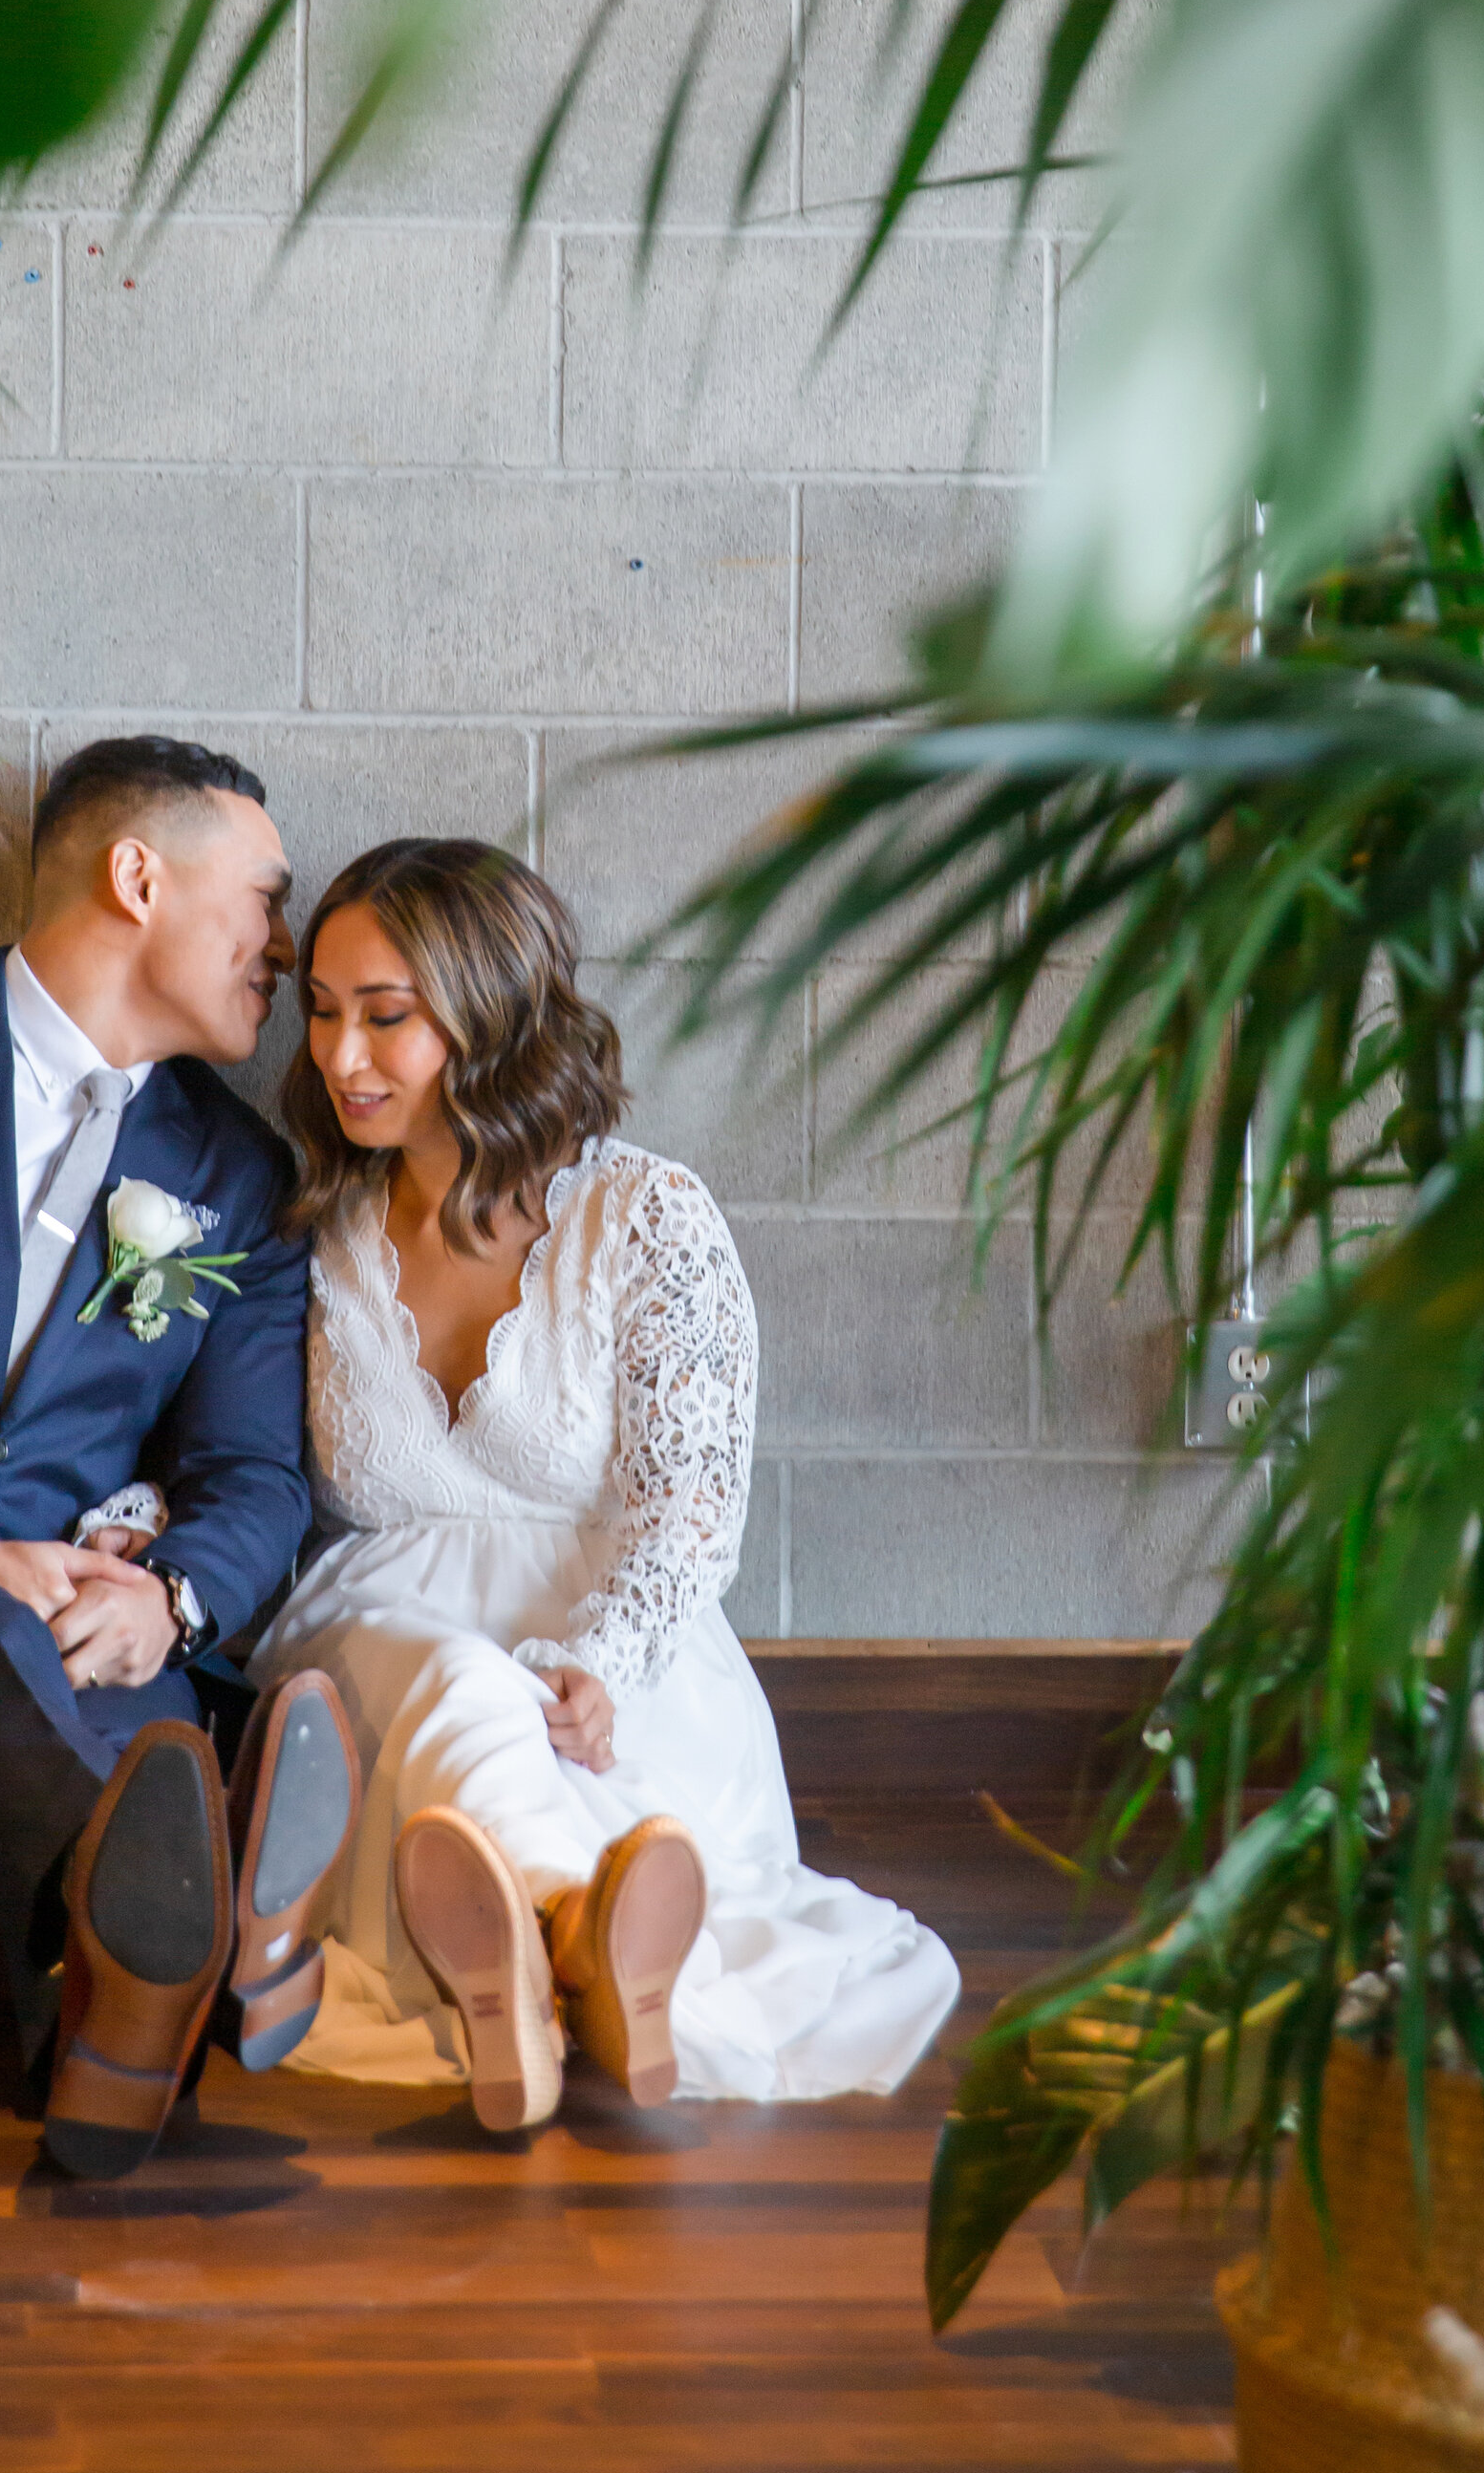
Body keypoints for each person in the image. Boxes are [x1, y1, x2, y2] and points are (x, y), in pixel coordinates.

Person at [248, 837, 959, 2129]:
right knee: (463, 1676)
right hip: (372, 1649)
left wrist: (607, 1657)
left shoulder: (645, 1219)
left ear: (494, 1017)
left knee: (510, 1688)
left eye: (387, 1016)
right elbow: (232, 1448)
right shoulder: (311, 1226)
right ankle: (583, 1934)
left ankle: (543, 1948)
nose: (339, 1057)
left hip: (615, 1654)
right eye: (324, 1013)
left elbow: (691, 1503)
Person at [0, 735, 361, 2179]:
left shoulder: (236, 1174)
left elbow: (254, 1478)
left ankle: (112, 2046)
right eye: (265, 899)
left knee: (151, 1707)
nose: (281, 948)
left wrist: (166, 1600)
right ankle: (228, 1950)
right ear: (138, 875)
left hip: (80, 1660)